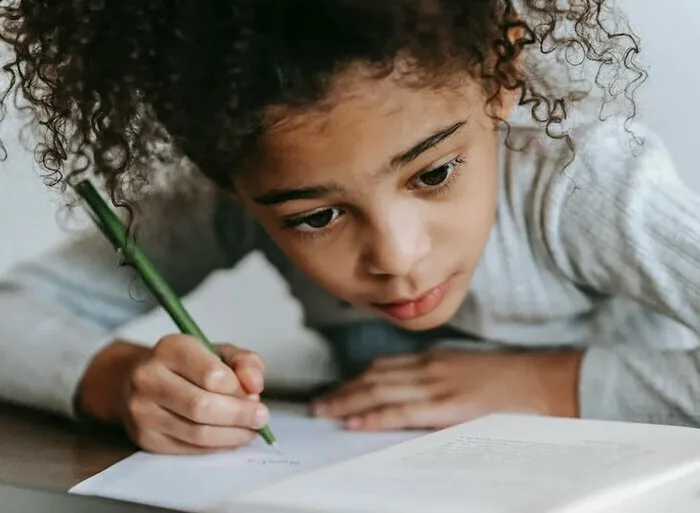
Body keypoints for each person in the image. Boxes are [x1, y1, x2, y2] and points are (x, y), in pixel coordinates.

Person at [1, 0, 699, 456]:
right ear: (222, 176)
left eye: (433, 173)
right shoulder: (234, 201)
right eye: (317, 217)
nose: (397, 257)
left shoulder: (582, 185)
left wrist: (558, 385)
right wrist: (116, 379)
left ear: (500, 73)